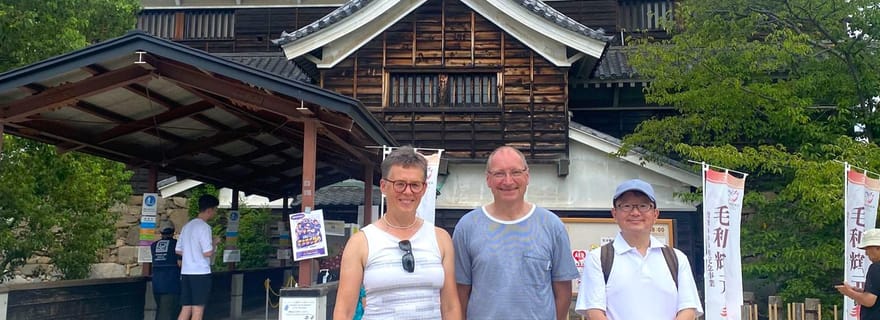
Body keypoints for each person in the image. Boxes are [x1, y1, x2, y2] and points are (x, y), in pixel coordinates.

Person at [333, 146, 461, 320]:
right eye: (399, 184)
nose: (407, 192)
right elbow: (344, 311)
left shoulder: (441, 239)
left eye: (415, 185)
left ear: (424, 189)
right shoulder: (360, 242)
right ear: (384, 186)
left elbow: (450, 307)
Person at [453, 145, 579, 320]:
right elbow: (460, 291)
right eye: (499, 173)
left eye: (515, 172)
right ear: (488, 179)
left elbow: (563, 292)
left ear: (527, 176)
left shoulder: (552, 226)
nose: (508, 181)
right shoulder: (467, 227)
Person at [575, 179, 703, 319]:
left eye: (643, 206)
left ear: (655, 214)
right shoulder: (599, 258)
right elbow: (595, 312)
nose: (635, 212)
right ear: (614, 214)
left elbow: (688, 309)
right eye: (626, 206)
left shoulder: (677, 258)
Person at [175, 195, 220, 320]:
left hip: (186, 272)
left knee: (186, 308)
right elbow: (207, 253)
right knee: (198, 310)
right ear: (209, 210)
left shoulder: (187, 227)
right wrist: (214, 242)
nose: (215, 213)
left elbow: (178, 250)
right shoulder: (204, 228)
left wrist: (191, 253)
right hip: (200, 273)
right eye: (215, 210)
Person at [837, 228, 880, 320]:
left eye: (868, 248)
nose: (866, 253)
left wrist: (849, 292)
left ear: (878, 247)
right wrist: (859, 291)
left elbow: (869, 300)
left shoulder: (876, 267)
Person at [151, 224, 182, 320]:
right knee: (168, 313)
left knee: (160, 310)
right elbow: (180, 263)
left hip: (156, 283)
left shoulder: (154, 245)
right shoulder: (177, 245)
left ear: (161, 233)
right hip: (171, 282)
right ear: (173, 233)